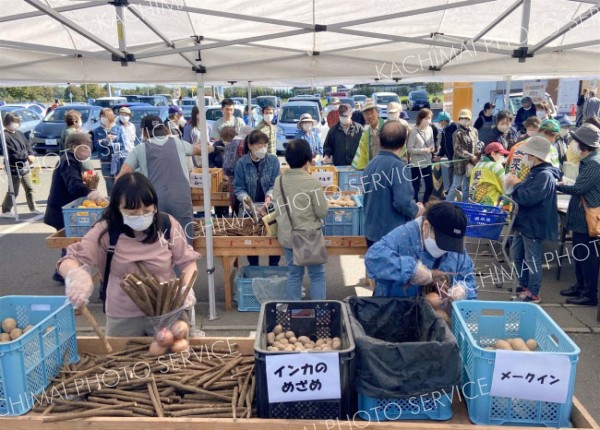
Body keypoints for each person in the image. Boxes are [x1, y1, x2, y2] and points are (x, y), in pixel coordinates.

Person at [58, 172, 200, 336]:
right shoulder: (106, 231)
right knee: (121, 359)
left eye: (147, 210)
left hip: (166, 312)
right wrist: (76, 276)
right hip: (123, 315)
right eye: (132, 213)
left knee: (172, 356)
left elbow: (188, 262)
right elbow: (70, 259)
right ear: (118, 208)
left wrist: (185, 288)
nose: (140, 216)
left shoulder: (167, 225)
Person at [365, 201, 477, 299]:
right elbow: (373, 257)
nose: (445, 249)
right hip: (394, 309)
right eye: (442, 242)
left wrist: (464, 290)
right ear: (426, 226)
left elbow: (469, 279)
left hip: (436, 317)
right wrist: (412, 271)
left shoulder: (457, 250)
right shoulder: (403, 236)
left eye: (450, 244)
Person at [118, 115, 202, 242]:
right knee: (184, 239)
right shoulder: (178, 143)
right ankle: (184, 261)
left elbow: (123, 175)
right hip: (181, 199)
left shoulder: (140, 148)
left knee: (157, 240)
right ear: (163, 129)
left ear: (143, 131)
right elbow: (199, 149)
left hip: (154, 200)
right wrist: (214, 146)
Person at [44, 133, 106, 283]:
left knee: (71, 241)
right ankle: (65, 272)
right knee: (71, 241)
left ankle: (62, 272)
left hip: (65, 207)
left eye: (89, 148)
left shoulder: (72, 159)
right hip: (62, 209)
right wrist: (90, 192)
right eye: (85, 147)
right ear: (73, 146)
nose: (88, 151)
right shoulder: (68, 161)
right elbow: (73, 185)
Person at [505, 137, 561, 303]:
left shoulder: (544, 175)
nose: (525, 157)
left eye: (528, 154)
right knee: (516, 254)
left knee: (532, 260)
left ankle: (533, 292)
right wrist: (517, 185)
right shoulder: (536, 172)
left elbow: (528, 198)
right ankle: (524, 285)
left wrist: (515, 185)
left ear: (536, 157)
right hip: (524, 223)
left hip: (533, 224)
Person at [272, 139, 329, 300]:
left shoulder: (279, 181)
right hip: (309, 237)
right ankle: (319, 313)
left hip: (289, 236)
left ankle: (293, 315)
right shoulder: (312, 182)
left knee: (294, 275)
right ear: (308, 160)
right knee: (317, 275)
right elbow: (322, 210)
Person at [557, 124, 600, 306]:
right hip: (581, 217)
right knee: (579, 253)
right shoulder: (590, 161)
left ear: (583, 144)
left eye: (576, 141)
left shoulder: (593, 163)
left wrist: (559, 185)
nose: (573, 144)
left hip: (586, 218)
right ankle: (580, 286)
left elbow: (580, 188)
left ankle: (589, 294)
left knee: (587, 257)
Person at [362, 121, 423, 248]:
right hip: (392, 235)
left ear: (380, 140)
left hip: (372, 232)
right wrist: (417, 210)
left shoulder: (370, 165)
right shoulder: (397, 166)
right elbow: (402, 202)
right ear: (404, 143)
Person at [234, 130, 281, 266]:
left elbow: (276, 183)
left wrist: (269, 196)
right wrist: (246, 200)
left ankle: (274, 267)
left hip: (269, 207)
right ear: (250, 146)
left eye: (265, 145)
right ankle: (253, 268)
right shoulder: (242, 163)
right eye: (259, 145)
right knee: (252, 241)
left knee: (273, 240)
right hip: (250, 208)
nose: (263, 149)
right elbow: (238, 188)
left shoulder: (273, 160)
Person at [0, 113, 41, 217]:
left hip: (25, 166)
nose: (16, 124)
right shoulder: (4, 136)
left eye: (17, 122)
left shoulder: (19, 133)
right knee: (13, 190)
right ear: (7, 123)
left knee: (29, 188)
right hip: (13, 167)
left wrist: (31, 154)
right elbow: (12, 152)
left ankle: (33, 207)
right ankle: (6, 210)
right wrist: (27, 156)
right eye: (14, 122)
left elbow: (27, 145)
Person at [506, 119, 561, 184]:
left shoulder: (519, 146)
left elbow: (511, 173)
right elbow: (555, 173)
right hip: (537, 187)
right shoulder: (551, 149)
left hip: (518, 187)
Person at [446, 109, 480, 202]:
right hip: (460, 164)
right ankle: (446, 203)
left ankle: (465, 205)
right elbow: (457, 150)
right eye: (462, 118)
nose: (464, 120)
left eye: (466, 118)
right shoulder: (457, 133)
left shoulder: (474, 131)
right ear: (459, 119)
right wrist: (471, 156)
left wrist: (478, 155)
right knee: (455, 185)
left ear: (470, 119)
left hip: (471, 164)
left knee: (466, 187)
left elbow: (476, 145)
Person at [93, 108, 126, 196]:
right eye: (102, 116)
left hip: (117, 160)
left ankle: (121, 204)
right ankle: (112, 205)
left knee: (120, 184)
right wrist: (106, 141)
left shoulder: (118, 129)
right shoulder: (97, 131)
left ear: (111, 117)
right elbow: (97, 146)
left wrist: (113, 144)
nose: (103, 118)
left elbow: (123, 145)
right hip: (105, 161)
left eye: (105, 116)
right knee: (109, 185)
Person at [407, 108, 435, 203]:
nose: (428, 120)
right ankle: (415, 205)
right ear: (420, 119)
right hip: (416, 163)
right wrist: (422, 150)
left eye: (430, 118)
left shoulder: (430, 129)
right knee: (416, 186)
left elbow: (432, 143)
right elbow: (409, 148)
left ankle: (425, 203)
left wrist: (432, 148)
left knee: (430, 185)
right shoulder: (414, 131)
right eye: (426, 118)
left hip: (427, 162)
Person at [468, 142, 509, 206]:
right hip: (491, 206)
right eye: (501, 154)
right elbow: (506, 188)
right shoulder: (496, 167)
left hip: (474, 204)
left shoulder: (477, 166)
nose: (503, 157)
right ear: (493, 153)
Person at [351, 101, 385, 170]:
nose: (369, 116)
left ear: (378, 113)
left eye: (372, 113)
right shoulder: (365, 134)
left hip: (389, 170)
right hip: (373, 171)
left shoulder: (388, 129)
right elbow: (361, 156)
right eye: (366, 114)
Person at [433, 111, 458, 192]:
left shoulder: (455, 127)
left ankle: (454, 192)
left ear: (444, 121)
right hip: (450, 158)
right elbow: (443, 144)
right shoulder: (444, 129)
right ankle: (451, 191)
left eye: (440, 121)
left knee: (457, 177)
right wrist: (439, 155)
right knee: (451, 174)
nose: (439, 123)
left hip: (457, 157)